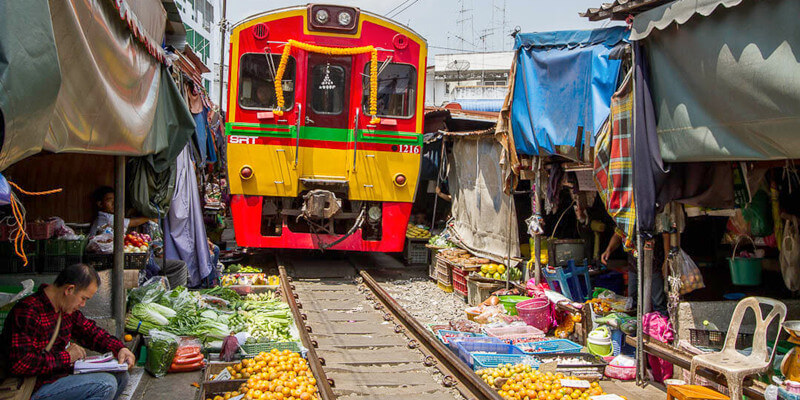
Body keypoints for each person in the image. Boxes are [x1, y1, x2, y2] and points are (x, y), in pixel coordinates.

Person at [0, 264, 135, 400]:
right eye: (84, 298)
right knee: (105, 384)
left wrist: (119, 348)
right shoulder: (28, 311)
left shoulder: (65, 310)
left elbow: (90, 332)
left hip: (56, 378)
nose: (83, 305)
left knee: (121, 376)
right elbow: (20, 363)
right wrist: (67, 357)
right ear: (69, 289)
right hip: (31, 387)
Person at [90, 187, 188, 288]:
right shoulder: (105, 217)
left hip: (122, 257)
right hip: (111, 259)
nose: (114, 203)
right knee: (178, 266)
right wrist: (150, 217)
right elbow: (133, 223)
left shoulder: (111, 217)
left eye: (116, 200)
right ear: (100, 204)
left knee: (175, 266)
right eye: (110, 201)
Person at [601, 230, 668, 315]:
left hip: (654, 262)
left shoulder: (649, 218)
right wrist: (608, 250)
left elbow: (666, 233)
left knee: (658, 302)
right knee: (632, 302)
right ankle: (634, 325)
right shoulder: (625, 218)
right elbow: (618, 232)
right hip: (634, 265)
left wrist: (666, 259)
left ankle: (660, 325)